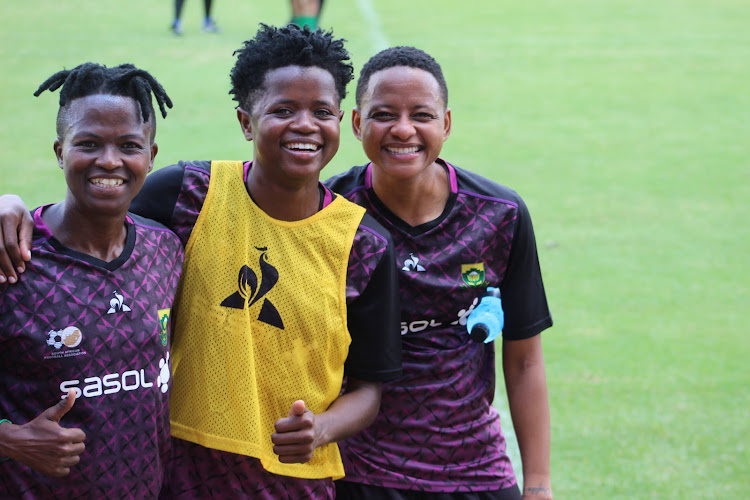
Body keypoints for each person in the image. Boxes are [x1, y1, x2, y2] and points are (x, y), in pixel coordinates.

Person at [0, 24, 402, 499]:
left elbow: (369, 386)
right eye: (283, 110)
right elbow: (91, 212)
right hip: (180, 476)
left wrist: (322, 428)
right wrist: (11, 206)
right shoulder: (186, 195)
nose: (304, 125)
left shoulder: (364, 244)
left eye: (321, 112)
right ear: (245, 121)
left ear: (341, 120)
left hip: (297, 484)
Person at [324, 46, 554, 500]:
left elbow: (525, 359)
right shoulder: (328, 211)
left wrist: (539, 486)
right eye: (384, 114)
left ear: (446, 123)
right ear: (356, 123)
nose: (403, 130)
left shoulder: (499, 215)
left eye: (422, 115)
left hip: (474, 467)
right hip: (358, 471)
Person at [0, 62, 183, 498]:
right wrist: (6, 438)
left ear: (151, 156)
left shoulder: (166, 249)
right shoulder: (13, 258)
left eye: (128, 145)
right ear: (60, 151)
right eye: (88, 144)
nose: (109, 160)